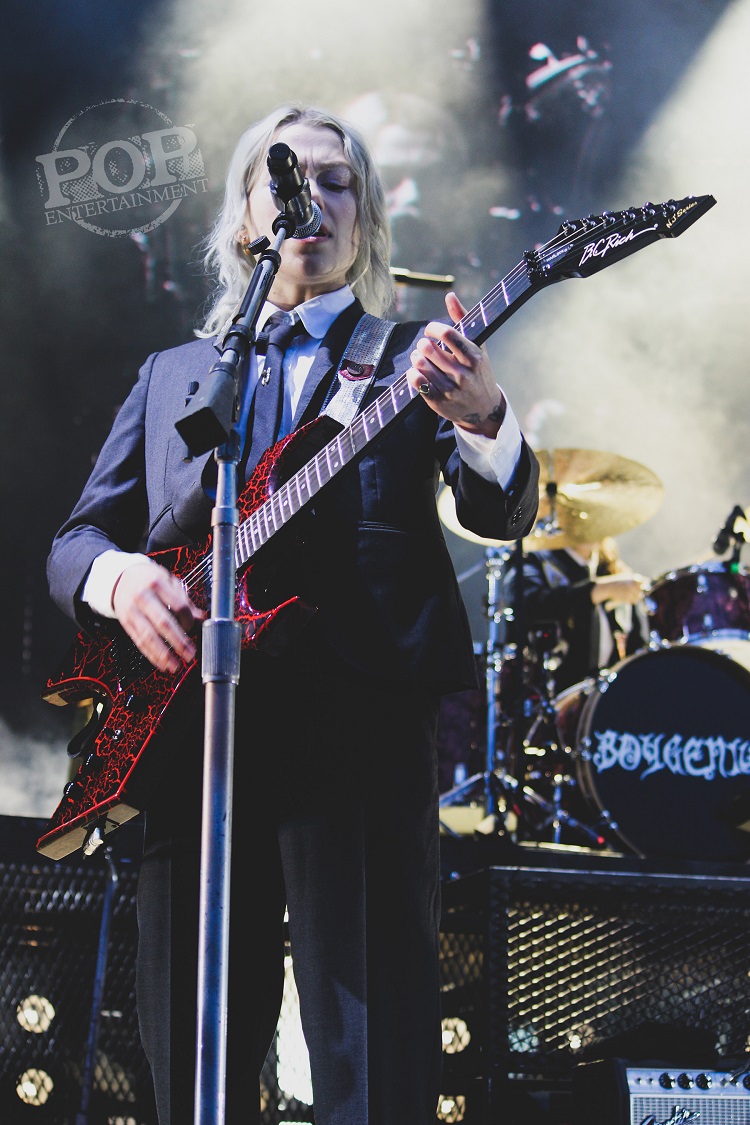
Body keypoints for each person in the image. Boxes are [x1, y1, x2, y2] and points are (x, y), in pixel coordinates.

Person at [46, 103, 540, 1125]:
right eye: (285, 179)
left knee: (370, 1035)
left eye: (337, 181)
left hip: (356, 717)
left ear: (365, 223)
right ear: (246, 219)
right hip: (188, 731)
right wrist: (121, 581)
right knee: (191, 1032)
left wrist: (486, 420)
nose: (311, 196)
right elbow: (76, 541)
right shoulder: (174, 375)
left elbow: (499, 508)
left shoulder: (408, 360)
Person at [499, 535, 651, 696]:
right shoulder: (533, 558)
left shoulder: (613, 570)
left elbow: (637, 645)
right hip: (551, 694)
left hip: (608, 696)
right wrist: (597, 591)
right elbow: (526, 605)